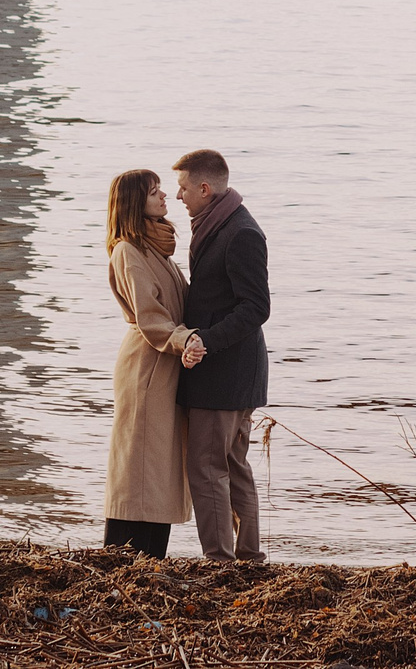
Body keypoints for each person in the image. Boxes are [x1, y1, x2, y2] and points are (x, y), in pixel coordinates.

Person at [172, 148, 270, 561]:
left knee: (208, 469)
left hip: (226, 374)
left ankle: (220, 561)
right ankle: (247, 558)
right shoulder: (215, 222)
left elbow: (256, 307)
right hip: (231, 373)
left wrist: (204, 340)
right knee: (232, 465)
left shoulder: (240, 232)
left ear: (205, 188)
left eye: (183, 188)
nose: (178, 197)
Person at [103, 169, 193, 556]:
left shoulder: (158, 250)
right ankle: (119, 558)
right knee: (137, 468)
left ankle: (153, 557)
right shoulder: (128, 250)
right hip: (147, 366)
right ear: (133, 202)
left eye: (160, 190)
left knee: (157, 471)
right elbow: (150, 317)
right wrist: (185, 339)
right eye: (154, 192)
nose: (164, 197)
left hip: (167, 364)